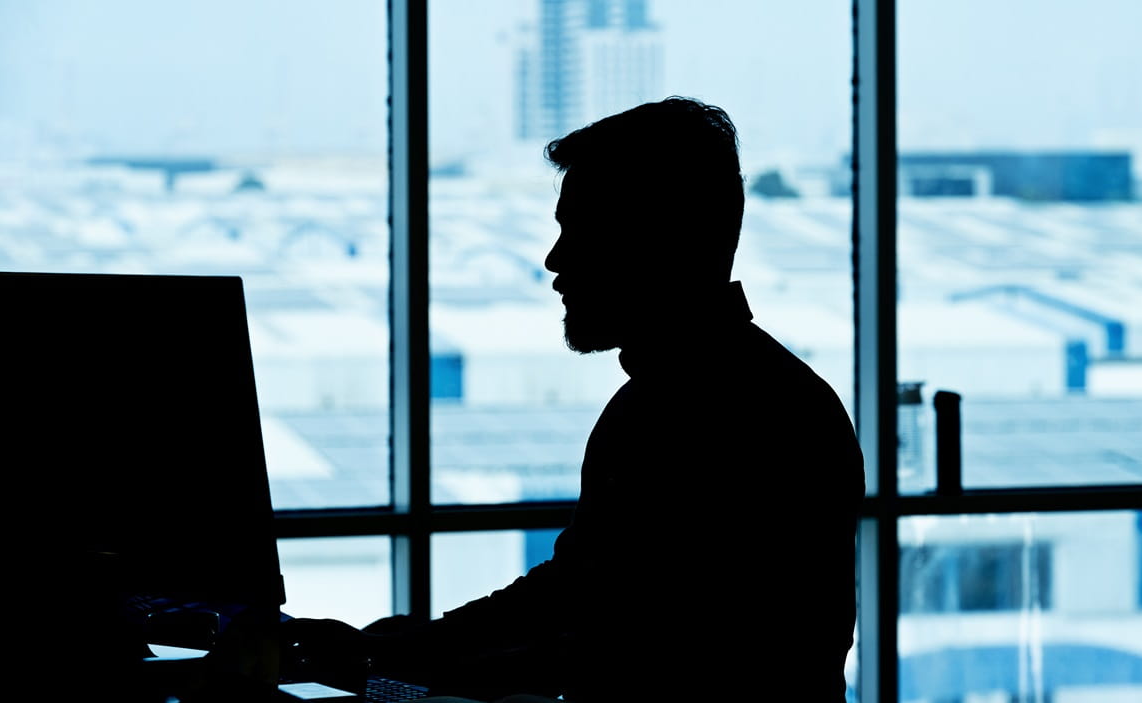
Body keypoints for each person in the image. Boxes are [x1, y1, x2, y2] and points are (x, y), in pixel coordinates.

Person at [282, 96, 865, 703]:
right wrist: (391, 650)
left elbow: (610, 644)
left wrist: (382, 660)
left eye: (580, 233)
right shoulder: (734, 399)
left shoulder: (711, 416)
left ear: (656, 242)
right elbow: (578, 600)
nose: (554, 261)